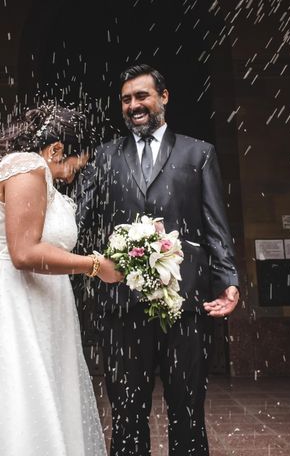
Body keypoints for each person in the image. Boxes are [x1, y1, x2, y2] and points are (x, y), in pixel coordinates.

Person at [77, 64, 240, 456]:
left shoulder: (198, 153)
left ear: (163, 97)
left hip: (185, 301)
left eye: (142, 96)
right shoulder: (103, 157)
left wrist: (228, 280)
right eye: (126, 100)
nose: (134, 106)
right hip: (122, 306)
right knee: (127, 409)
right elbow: (78, 220)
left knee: (188, 407)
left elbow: (215, 224)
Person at [0, 104, 123, 456]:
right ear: (57, 149)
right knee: (19, 400)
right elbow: (24, 253)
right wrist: (95, 265)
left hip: (26, 302)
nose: (75, 174)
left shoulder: (32, 170)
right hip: (8, 306)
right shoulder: (27, 169)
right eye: (77, 163)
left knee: (33, 397)